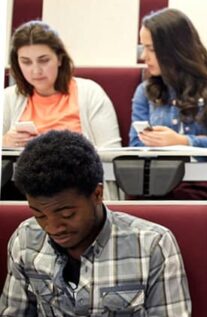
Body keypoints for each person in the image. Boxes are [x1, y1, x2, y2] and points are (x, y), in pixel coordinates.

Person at [0, 130, 192, 317]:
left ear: (98, 194)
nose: (53, 227)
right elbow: (13, 315)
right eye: (39, 214)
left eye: (66, 214)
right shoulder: (25, 238)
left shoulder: (151, 242)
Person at [3, 20, 121, 200]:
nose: (36, 71)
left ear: (59, 58)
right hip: (22, 191)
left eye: (44, 60)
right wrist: (4, 142)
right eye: (26, 62)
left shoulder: (89, 93)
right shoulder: (9, 98)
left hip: (79, 187)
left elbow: (112, 154)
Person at [130, 8, 207, 200]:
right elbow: (136, 144)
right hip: (156, 180)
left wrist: (183, 142)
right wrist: (200, 141)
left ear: (175, 49)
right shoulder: (145, 91)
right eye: (143, 47)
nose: (144, 57)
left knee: (178, 199)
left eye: (152, 49)